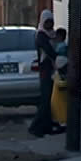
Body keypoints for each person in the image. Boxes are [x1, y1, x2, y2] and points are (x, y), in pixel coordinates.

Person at [28, 9, 58, 137]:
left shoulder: (53, 34)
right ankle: (34, 126)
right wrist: (57, 57)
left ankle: (47, 126)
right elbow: (49, 50)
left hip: (53, 70)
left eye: (51, 22)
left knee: (50, 99)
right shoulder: (41, 36)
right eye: (47, 22)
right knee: (45, 100)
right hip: (46, 70)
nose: (49, 25)